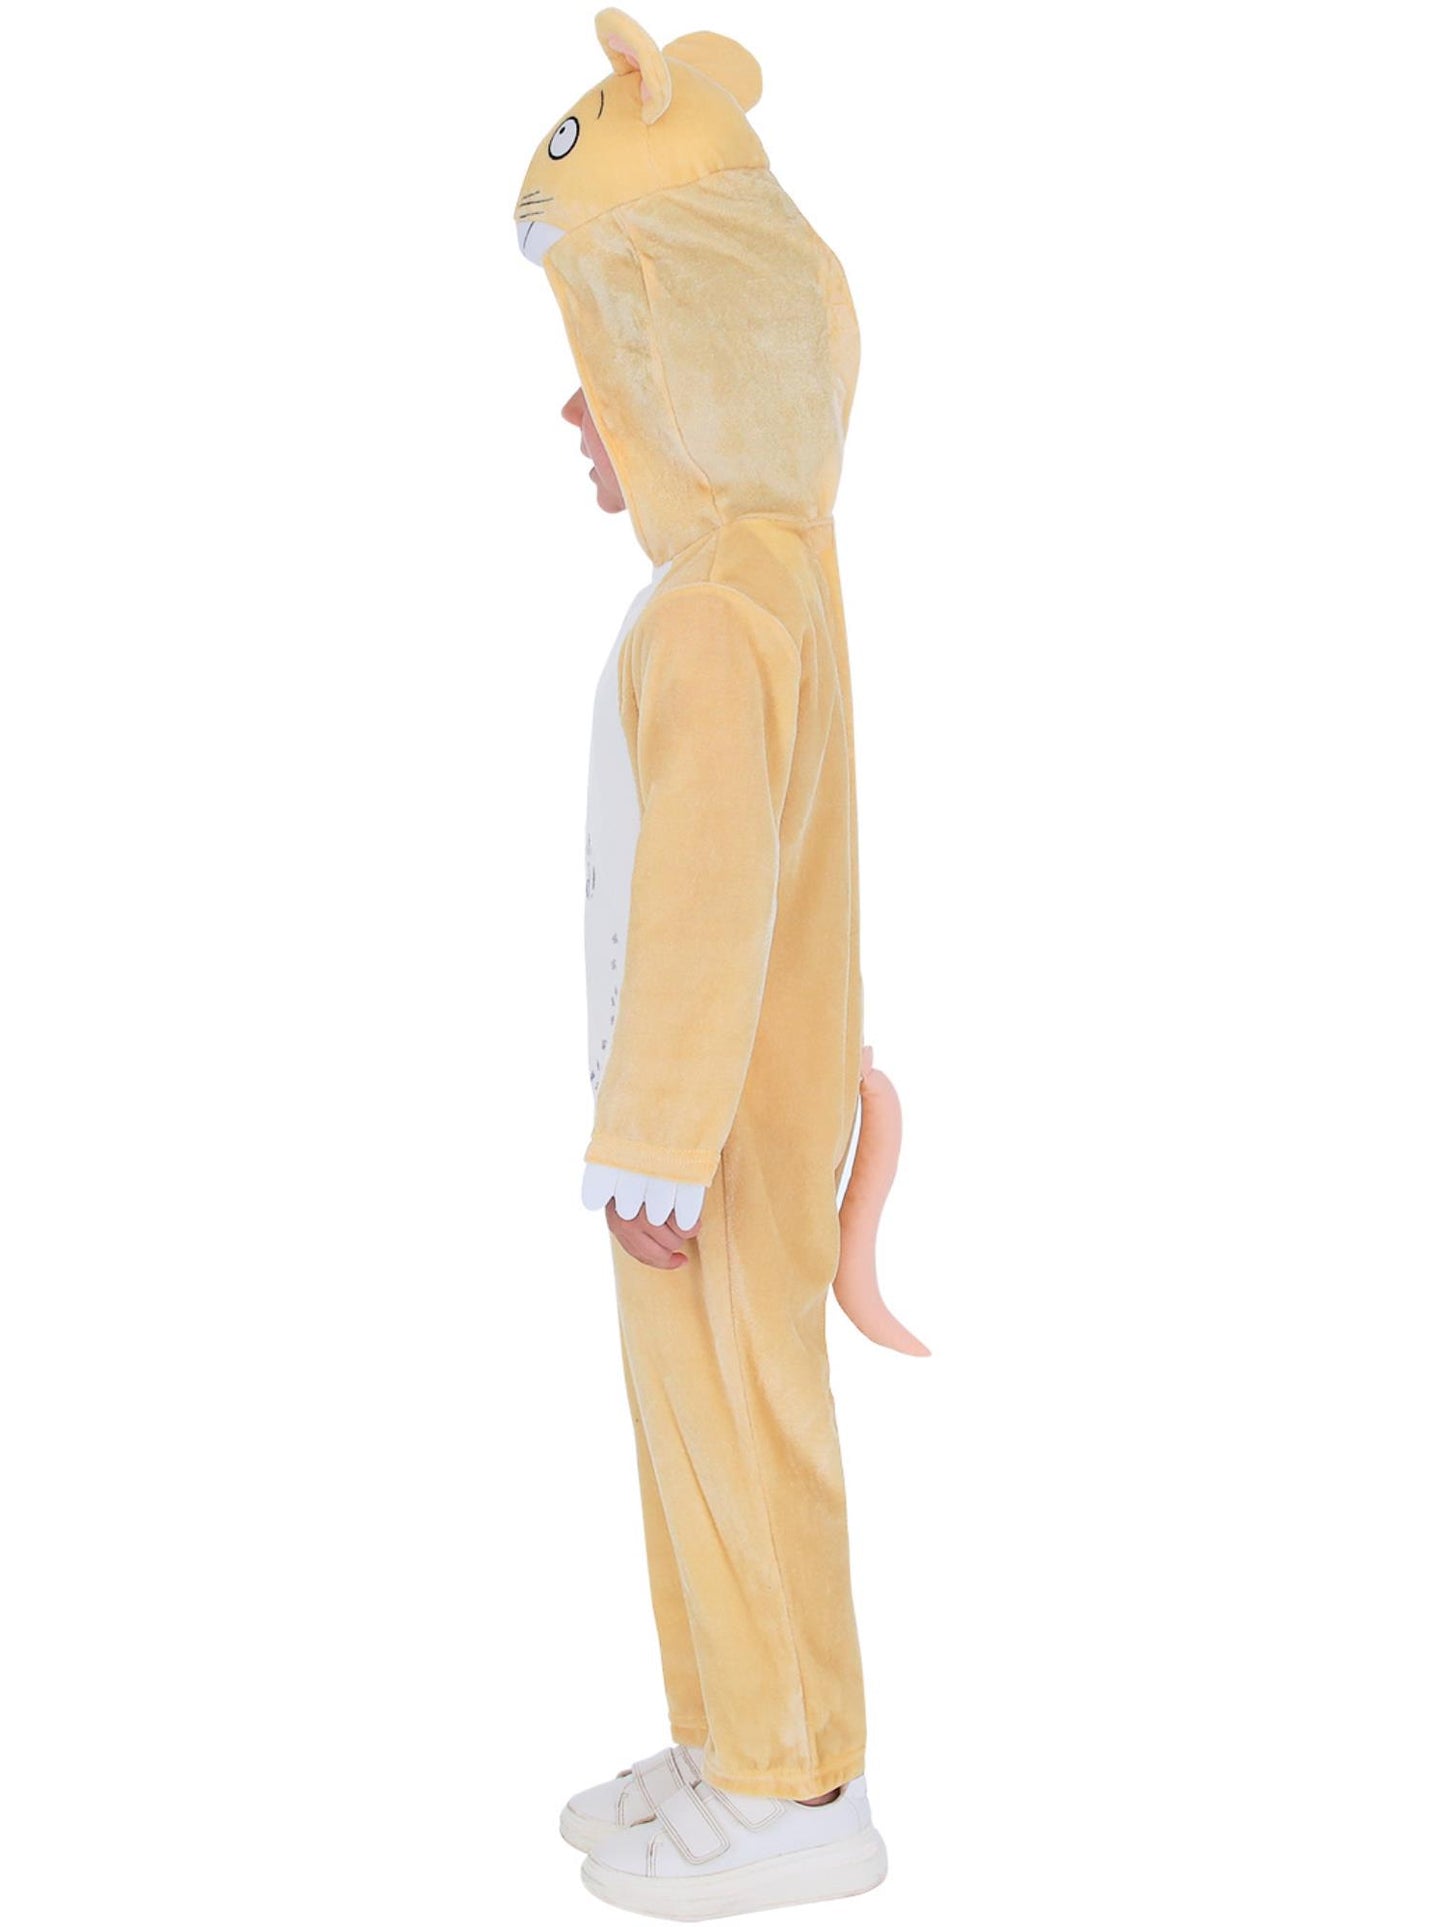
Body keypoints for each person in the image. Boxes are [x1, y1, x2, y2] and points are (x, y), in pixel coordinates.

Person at [513, 13, 924, 1916]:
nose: (574, 414)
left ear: (682, 366)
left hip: (709, 1130)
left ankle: (789, 1786)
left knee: (737, 1430)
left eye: (601, 367)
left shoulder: (708, 618)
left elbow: (704, 897)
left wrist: (652, 1144)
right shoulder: (771, 580)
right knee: (706, 1425)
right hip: (746, 1107)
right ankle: (734, 1739)